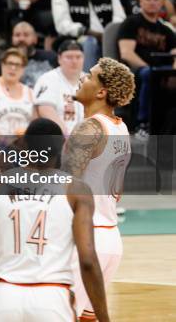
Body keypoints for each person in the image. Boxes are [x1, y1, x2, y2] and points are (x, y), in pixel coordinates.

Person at [0, 118, 111, 322]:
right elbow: (88, 261)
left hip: (6, 298)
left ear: (26, 145)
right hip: (52, 298)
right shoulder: (77, 190)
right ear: (62, 147)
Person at [64, 57, 136, 320]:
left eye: (90, 76)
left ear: (101, 91)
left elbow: (66, 186)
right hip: (111, 237)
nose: (83, 77)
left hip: (85, 238)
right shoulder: (121, 128)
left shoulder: (89, 128)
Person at [52, 0, 126, 70]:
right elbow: (62, 25)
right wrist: (87, 31)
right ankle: (88, 81)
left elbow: (120, 18)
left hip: (108, 37)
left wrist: (108, 33)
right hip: (78, 38)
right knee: (90, 42)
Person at [117, 0, 176, 133]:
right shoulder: (131, 23)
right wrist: (152, 69)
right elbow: (126, 53)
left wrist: (173, 72)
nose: (152, 2)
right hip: (137, 69)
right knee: (149, 74)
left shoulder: (166, 29)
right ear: (141, 1)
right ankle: (142, 124)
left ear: (162, 2)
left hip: (163, 70)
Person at [33, 39, 85, 135]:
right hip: (57, 139)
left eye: (78, 57)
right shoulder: (48, 79)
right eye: (69, 57)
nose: (74, 61)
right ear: (59, 59)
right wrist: (65, 135)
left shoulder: (90, 80)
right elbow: (45, 109)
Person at [11, 20, 57, 86]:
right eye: (17, 35)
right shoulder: (6, 61)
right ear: (12, 39)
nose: (21, 39)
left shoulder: (51, 57)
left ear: (35, 39)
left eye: (26, 35)